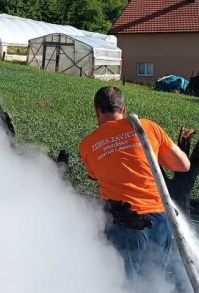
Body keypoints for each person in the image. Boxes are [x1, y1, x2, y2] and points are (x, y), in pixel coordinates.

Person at [79, 86, 190, 282]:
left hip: (124, 224)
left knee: (123, 291)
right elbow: (183, 165)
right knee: (153, 289)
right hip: (159, 221)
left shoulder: (88, 145)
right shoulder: (147, 127)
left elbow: (94, 174)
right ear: (123, 109)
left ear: (96, 110)